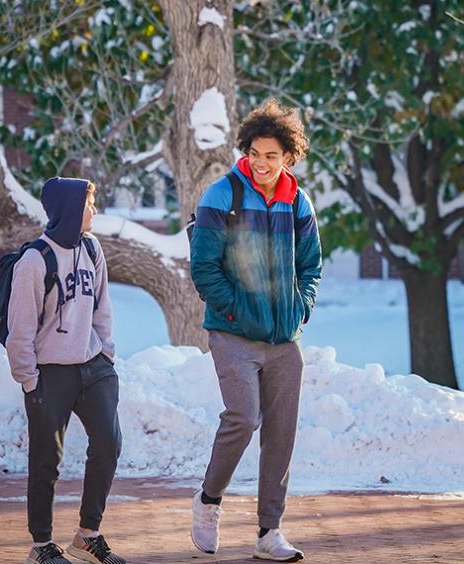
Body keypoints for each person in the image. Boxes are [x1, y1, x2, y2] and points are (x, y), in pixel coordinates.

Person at [189, 99, 322, 562]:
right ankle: (208, 501)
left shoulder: (297, 200)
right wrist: (235, 309)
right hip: (232, 333)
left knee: (281, 433)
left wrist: (299, 309)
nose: (263, 164)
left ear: (288, 157)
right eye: (256, 154)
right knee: (243, 417)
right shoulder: (222, 195)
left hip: (284, 339)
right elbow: (203, 267)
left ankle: (270, 532)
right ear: (245, 151)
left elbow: (311, 266)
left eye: (273, 156)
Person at [6, 178, 125, 564]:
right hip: (50, 372)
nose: (93, 211)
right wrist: (29, 379)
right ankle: (41, 545)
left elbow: (102, 307)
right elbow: (19, 330)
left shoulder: (92, 248)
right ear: (69, 210)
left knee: (108, 443)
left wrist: (106, 354)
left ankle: (88, 535)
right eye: (89, 204)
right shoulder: (34, 261)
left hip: (94, 367)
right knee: (46, 460)